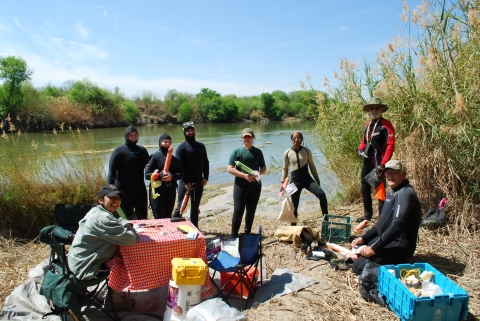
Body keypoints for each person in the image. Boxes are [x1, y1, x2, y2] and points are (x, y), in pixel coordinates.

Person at [351, 160, 421, 274]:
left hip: (400, 246)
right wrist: (364, 238)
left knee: (358, 267)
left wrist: (374, 249)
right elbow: (381, 224)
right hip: (388, 239)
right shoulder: (392, 192)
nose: (389, 176)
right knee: (358, 250)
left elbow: (397, 226)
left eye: (394, 172)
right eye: (387, 173)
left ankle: (399, 262)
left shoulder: (406, 193)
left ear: (404, 173)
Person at [68, 185, 138, 281]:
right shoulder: (103, 218)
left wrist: (125, 223)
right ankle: (117, 294)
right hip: (87, 268)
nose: (116, 200)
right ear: (100, 200)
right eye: (111, 197)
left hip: (76, 260)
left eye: (118, 197)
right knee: (125, 265)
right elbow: (131, 239)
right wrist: (131, 229)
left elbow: (116, 220)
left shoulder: (96, 210)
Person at [356, 97, 395, 222]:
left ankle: (382, 217)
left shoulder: (386, 125)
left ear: (381, 109)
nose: (374, 110)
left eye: (377, 108)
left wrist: (383, 164)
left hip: (379, 160)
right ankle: (367, 215)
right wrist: (359, 149)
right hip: (368, 160)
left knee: (380, 188)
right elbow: (364, 142)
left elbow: (390, 145)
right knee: (364, 186)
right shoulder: (367, 125)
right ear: (368, 110)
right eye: (371, 108)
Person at [281, 131, 328, 225]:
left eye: (298, 138)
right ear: (291, 140)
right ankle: (293, 226)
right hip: (295, 181)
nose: (296, 140)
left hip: (307, 179)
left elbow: (312, 165)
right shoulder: (287, 153)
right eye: (294, 138)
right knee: (294, 204)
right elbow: (285, 168)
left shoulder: (306, 151)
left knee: (321, 194)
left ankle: (326, 219)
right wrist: (283, 183)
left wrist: (317, 179)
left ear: (301, 139)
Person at [227, 128, 266, 238]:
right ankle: (234, 235)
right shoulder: (237, 152)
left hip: (255, 186)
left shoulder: (258, 152)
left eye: (249, 137)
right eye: (245, 137)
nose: (247, 139)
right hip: (241, 186)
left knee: (251, 211)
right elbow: (230, 169)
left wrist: (258, 173)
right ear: (242, 138)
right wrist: (244, 176)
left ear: (253, 138)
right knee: (238, 211)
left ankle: (247, 233)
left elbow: (263, 167)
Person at [108, 125, 149, 219]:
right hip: (124, 190)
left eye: (135, 135)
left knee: (143, 216)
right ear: (126, 136)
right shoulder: (119, 151)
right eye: (131, 135)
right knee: (126, 217)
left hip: (140, 189)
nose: (133, 137)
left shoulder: (142, 150)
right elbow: (112, 172)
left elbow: (149, 168)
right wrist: (110, 190)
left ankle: (143, 234)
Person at [172, 122, 209, 228]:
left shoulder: (201, 146)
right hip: (185, 183)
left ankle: (194, 228)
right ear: (184, 132)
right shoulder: (181, 148)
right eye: (187, 130)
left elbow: (205, 162)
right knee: (180, 207)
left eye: (192, 130)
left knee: (195, 206)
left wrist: (205, 177)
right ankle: (174, 228)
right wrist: (186, 182)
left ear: (195, 131)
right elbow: (180, 167)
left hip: (198, 181)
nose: (190, 132)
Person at [145, 133, 183, 219]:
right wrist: (160, 176)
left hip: (170, 191)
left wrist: (172, 176)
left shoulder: (174, 159)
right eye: (164, 142)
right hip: (158, 192)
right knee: (159, 217)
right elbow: (147, 175)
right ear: (160, 143)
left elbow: (181, 174)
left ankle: (167, 232)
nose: (167, 144)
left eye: (169, 142)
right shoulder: (154, 157)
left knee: (168, 215)